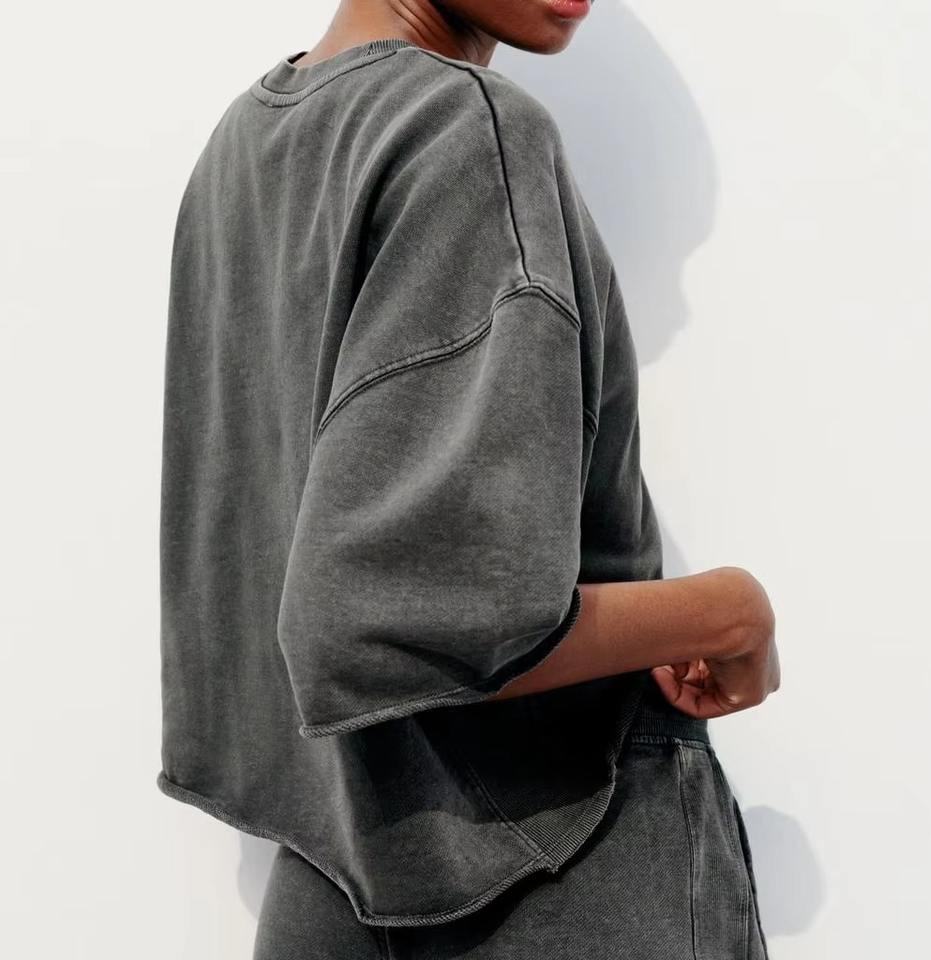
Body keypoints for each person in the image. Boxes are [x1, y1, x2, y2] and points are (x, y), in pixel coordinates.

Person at [156, 2, 781, 957]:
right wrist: (727, 613)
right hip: (566, 850)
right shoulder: (467, 125)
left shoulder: (246, 142)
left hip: (335, 867)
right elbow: (411, 623)